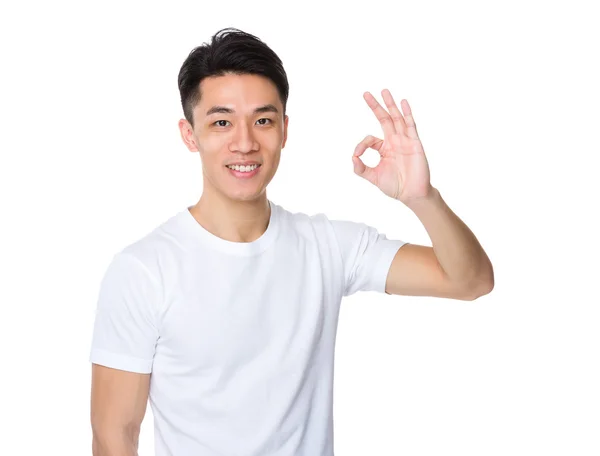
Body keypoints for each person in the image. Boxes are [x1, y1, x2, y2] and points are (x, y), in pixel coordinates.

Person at [89, 27, 494, 456]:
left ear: (284, 130)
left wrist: (422, 199)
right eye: (221, 122)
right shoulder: (144, 270)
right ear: (190, 135)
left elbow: (470, 281)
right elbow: (115, 435)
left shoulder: (329, 246)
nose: (244, 143)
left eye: (262, 120)